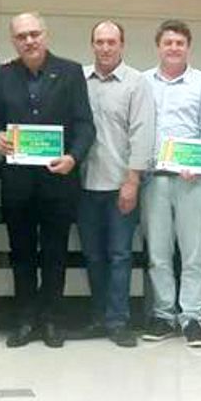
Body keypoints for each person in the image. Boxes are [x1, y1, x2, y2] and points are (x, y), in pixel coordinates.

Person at [0, 12, 95, 348]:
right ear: (13, 41)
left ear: (45, 35)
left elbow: (85, 125)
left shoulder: (70, 72)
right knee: (21, 253)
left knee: (55, 253)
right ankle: (24, 320)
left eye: (34, 34)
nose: (29, 41)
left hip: (58, 180)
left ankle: (51, 320)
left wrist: (73, 158)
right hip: (17, 183)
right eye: (22, 36)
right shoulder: (2, 75)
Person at [140, 20, 201, 347]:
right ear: (158, 46)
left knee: (193, 252)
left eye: (179, 43)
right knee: (158, 253)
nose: (173, 48)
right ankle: (163, 314)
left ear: (188, 47)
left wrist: (198, 165)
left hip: (193, 181)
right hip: (153, 180)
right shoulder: (142, 82)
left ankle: (192, 317)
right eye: (168, 42)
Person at [75, 20, 154, 347]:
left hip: (121, 183)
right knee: (93, 255)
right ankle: (98, 318)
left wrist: (132, 181)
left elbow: (142, 134)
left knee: (120, 255)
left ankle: (118, 321)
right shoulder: (78, 79)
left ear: (122, 45)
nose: (105, 48)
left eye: (111, 42)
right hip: (84, 184)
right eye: (100, 42)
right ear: (92, 44)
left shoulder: (137, 83)